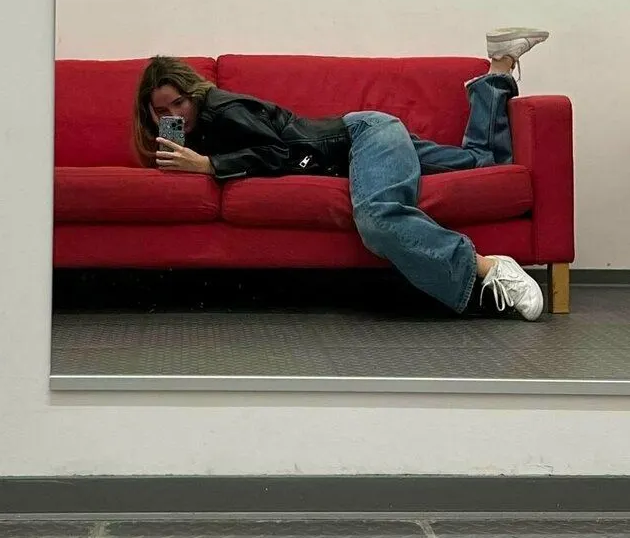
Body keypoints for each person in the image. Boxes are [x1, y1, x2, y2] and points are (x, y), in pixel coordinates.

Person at [132, 28, 550, 321]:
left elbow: (279, 151)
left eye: (179, 104)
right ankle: (499, 68)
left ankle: (490, 268)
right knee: (485, 164)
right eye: (161, 110)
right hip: (360, 145)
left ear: (195, 94)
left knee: (377, 217)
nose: (174, 115)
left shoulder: (222, 109)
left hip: (361, 136)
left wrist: (208, 165)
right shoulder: (192, 133)